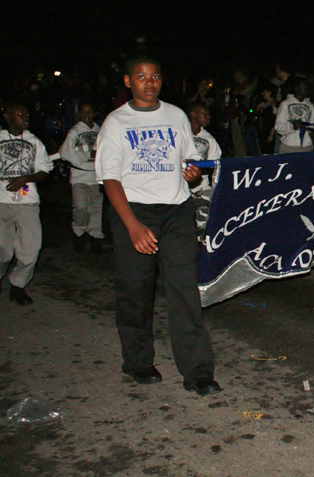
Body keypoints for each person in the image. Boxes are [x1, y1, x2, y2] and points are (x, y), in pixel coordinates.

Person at [95, 54, 220, 395]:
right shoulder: (116, 123)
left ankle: (198, 371)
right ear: (128, 81)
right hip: (134, 211)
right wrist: (133, 226)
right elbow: (109, 179)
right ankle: (137, 361)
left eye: (154, 77)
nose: (149, 83)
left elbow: (187, 158)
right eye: (141, 77)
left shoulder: (176, 115)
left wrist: (192, 171)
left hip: (177, 211)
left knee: (184, 291)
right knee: (136, 291)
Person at [0, 101, 54, 306]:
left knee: (31, 247)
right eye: (20, 113)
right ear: (7, 116)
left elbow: (44, 171)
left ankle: (18, 286)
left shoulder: (35, 142)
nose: (25, 117)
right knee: (2, 248)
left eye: (27, 113)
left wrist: (26, 179)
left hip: (27, 201)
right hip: (1, 201)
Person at [59, 100, 104, 253]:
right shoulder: (75, 131)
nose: (87, 115)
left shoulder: (100, 130)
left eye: (90, 112)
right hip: (79, 175)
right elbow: (64, 152)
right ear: (79, 114)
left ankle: (95, 235)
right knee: (80, 207)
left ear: (95, 113)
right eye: (83, 112)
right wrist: (87, 155)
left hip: (96, 176)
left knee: (96, 208)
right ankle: (79, 230)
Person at [186, 101, 222, 241]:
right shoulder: (180, 133)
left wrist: (198, 167)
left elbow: (215, 163)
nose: (208, 117)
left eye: (208, 114)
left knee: (204, 225)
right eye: (204, 113)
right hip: (181, 189)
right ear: (193, 114)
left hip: (201, 188)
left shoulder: (209, 139)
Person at [275, 78, 314, 154]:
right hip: (289, 146)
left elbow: (313, 126)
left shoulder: (310, 106)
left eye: (308, 87)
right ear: (297, 88)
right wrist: (292, 127)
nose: (307, 89)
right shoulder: (285, 104)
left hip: (306, 147)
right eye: (304, 87)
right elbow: (278, 127)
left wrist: (313, 133)